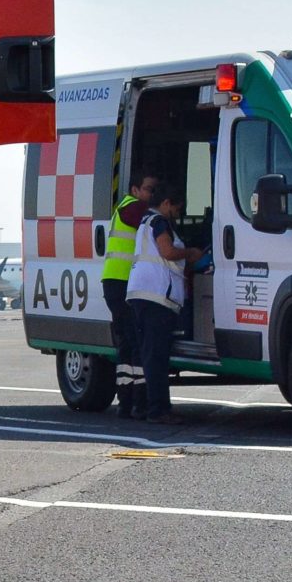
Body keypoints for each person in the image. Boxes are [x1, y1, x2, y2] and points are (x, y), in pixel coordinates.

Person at [122, 191, 191, 427]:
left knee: (148, 354)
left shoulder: (144, 221)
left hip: (140, 294)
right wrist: (190, 253)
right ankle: (158, 410)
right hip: (155, 298)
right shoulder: (159, 221)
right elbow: (168, 252)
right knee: (157, 357)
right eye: (176, 209)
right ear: (166, 201)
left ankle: (145, 407)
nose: (176, 215)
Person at [99, 177, 161, 417]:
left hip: (116, 282)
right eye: (148, 189)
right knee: (136, 342)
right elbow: (154, 223)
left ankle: (126, 400)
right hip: (122, 283)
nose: (152, 194)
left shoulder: (125, 207)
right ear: (134, 190)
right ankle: (139, 401)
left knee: (126, 344)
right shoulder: (133, 207)